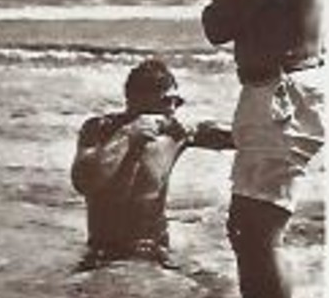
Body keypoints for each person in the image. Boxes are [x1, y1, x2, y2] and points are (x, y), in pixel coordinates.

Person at [202, 0, 325, 298]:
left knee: (255, 230)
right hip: (290, 88)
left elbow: (219, 27)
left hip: (280, 92)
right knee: (256, 227)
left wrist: (218, 0)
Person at [71, 58, 235, 269]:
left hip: (154, 249)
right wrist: (128, 134)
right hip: (103, 250)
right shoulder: (100, 129)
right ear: (136, 98)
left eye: (178, 102)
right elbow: (84, 181)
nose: (173, 109)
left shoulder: (175, 132)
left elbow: (243, 136)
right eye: (167, 101)